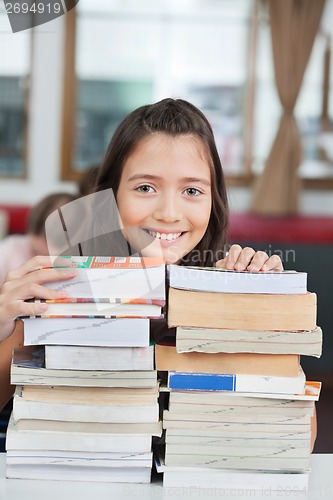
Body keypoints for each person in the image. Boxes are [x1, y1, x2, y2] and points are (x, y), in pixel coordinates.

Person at [0, 98, 316, 447]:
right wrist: (2, 326)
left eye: (192, 190)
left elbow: (301, 433)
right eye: (145, 188)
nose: (168, 213)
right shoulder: (60, 289)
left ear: (214, 201)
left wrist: (265, 315)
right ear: (111, 196)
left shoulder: (231, 287)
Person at [0, 192, 77, 285]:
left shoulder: (79, 262)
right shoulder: (8, 251)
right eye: (35, 252)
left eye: (49, 257)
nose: (41, 263)